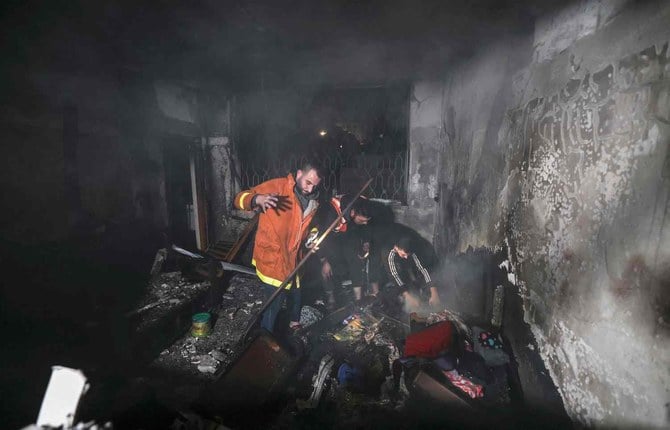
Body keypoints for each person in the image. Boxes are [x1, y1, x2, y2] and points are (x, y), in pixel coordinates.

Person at [234, 160, 324, 333]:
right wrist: (256, 199)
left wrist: (311, 240)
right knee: (274, 302)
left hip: (296, 260)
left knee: (296, 294)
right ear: (299, 174)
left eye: (315, 185)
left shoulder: (313, 201)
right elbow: (239, 199)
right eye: (308, 182)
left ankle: (294, 323)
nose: (310, 189)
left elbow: (309, 227)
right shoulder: (276, 186)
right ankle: (264, 337)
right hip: (273, 259)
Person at [315, 195, 380, 308]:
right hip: (328, 239)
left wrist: (366, 242)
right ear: (353, 213)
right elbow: (322, 237)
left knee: (356, 260)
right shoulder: (330, 213)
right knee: (326, 270)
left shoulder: (361, 207)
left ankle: (358, 300)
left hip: (347, 234)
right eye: (362, 220)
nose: (365, 223)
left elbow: (366, 227)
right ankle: (330, 298)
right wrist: (324, 260)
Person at [380, 234, 441, 312]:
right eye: (403, 254)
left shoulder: (412, 250)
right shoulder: (389, 253)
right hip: (395, 273)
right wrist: (408, 296)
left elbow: (424, 269)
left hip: (410, 269)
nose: (406, 257)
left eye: (407, 255)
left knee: (420, 286)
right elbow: (395, 276)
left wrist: (434, 292)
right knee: (397, 295)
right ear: (396, 248)